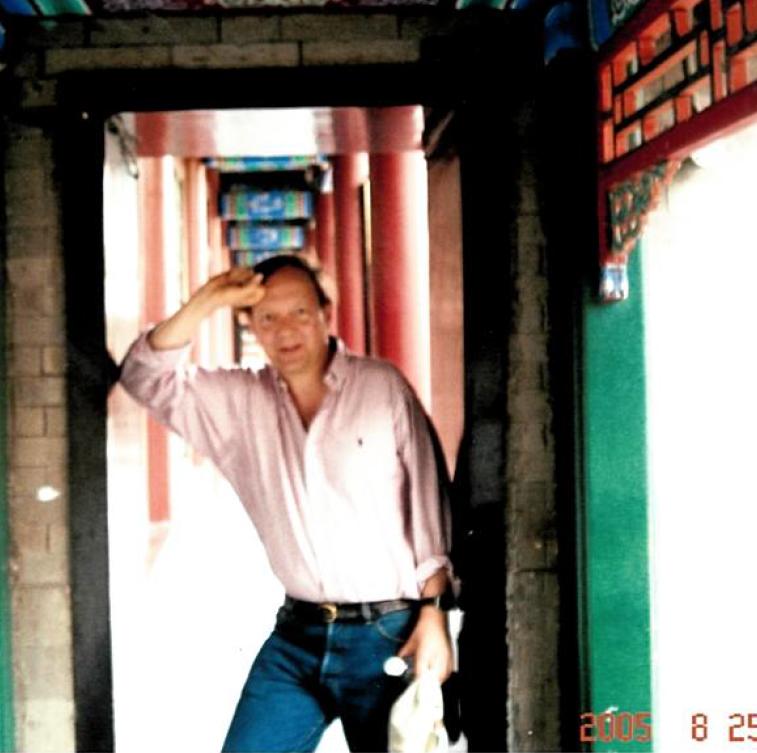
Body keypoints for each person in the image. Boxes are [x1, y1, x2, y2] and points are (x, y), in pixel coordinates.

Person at [119, 254, 455, 753]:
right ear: (251, 326)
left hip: (388, 633)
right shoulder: (240, 402)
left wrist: (435, 615)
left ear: (325, 313)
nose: (285, 330)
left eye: (299, 312)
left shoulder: (380, 388)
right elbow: (144, 377)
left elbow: (429, 505)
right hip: (298, 638)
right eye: (267, 317)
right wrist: (207, 299)